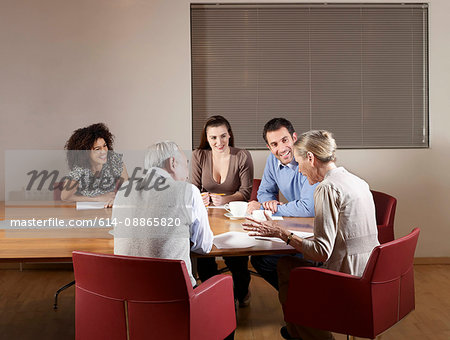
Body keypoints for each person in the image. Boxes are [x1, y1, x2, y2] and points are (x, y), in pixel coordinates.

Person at [243, 130, 379, 340]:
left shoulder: (326, 188)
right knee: (287, 265)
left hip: (346, 278)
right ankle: (299, 332)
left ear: (310, 158)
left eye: (300, 164)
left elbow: (321, 253)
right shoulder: (358, 181)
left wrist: (281, 233)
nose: (300, 172)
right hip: (370, 272)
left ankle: (315, 335)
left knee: (289, 272)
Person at [113, 141, 214, 287]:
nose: (188, 171)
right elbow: (204, 246)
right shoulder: (188, 191)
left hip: (130, 295)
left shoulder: (123, 191)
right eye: (186, 163)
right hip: (174, 295)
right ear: (173, 163)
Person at [191, 115, 254, 307]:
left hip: (234, 215)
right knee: (204, 256)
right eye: (213, 138)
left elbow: (245, 192)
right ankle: (215, 299)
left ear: (230, 135)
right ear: (207, 138)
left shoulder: (242, 155)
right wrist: (201, 197)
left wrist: (225, 199)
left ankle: (241, 293)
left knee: (237, 261)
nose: (219, 142)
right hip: (206, 216)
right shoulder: (198, 155)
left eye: (223, 136)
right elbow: (193, 188)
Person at [247, 118, 317, 289]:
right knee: (259, 259)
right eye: (274, 144)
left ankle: (300, 297)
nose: (281, 148)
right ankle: (297, 297)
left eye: (285, 140)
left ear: (294, 138)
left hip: (316, 234)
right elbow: (264, 191)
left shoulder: (309, 159)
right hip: (296, 226)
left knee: (266, 259)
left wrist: (267, 207)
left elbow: (308, 208)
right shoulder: (273, 159)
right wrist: (268, 202)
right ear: (269, 148)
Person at [61, 123, 128, 207]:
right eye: (97, 149)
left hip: (109, 209)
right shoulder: (80, 169)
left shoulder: (115, 160)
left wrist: (117, 199)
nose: (104, 151)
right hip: (83, 213)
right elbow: (65, 197)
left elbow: (128, 190)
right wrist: (97, 198)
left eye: (105, 146)